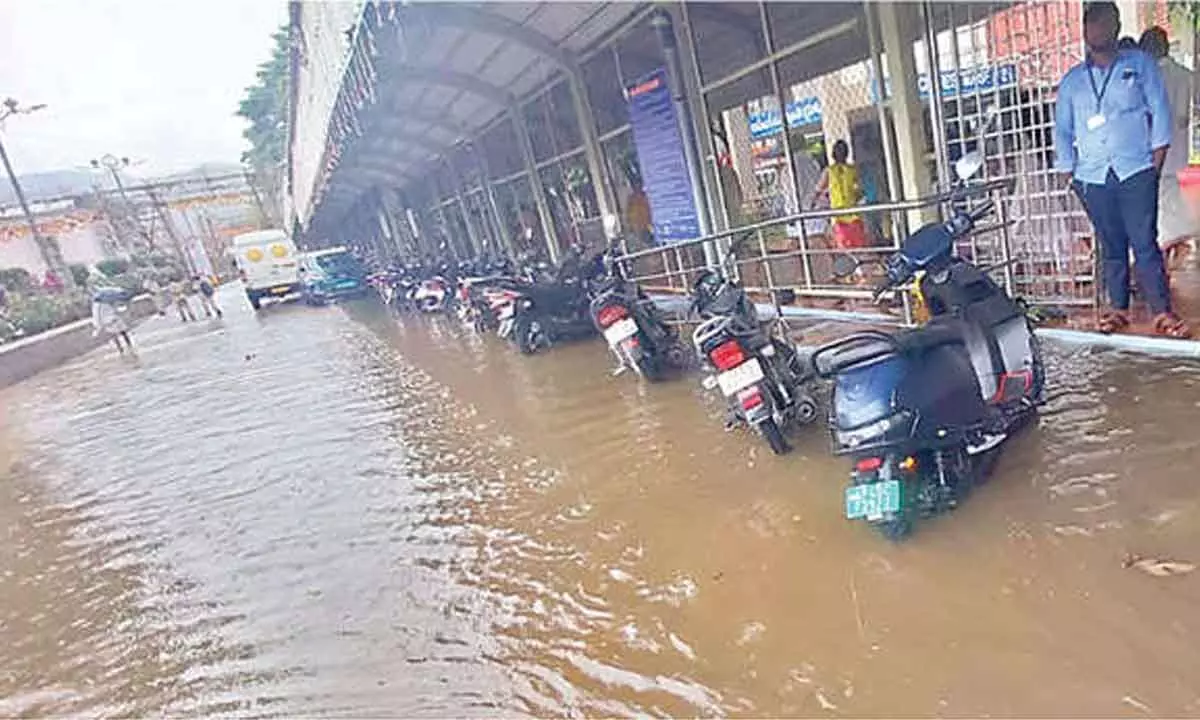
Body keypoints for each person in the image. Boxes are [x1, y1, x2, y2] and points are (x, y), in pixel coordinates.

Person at [1054, 2, 1189, 338]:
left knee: (1144, 242)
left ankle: (1161, 312)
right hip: (1092, 176)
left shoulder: (1139, 66)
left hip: (1135, 170)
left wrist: (1154, 162)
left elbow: (1159, 112)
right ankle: (1117, 309)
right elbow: (1063, 131)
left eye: (1104, 23)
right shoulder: (1072, 81)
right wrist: (1071, 176)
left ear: (1115, 27)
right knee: (1111, 244)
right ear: (1085, 31)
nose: (1097, 29)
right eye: (1091, 24)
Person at [1140, 26, 1195, 259]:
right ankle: (1172, 248)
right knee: (1171, 203)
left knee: (1157, 209)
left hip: (1152, 151)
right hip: (1179, 149)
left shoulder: (1146, 77)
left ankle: (1163, 255)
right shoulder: (1186, 75)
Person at [810, 140, 869, 250]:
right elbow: (860, 190)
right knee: (858, 244)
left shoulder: (829, 171)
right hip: (852, 212)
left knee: (844, 245)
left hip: (839, 214)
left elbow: (818, 190)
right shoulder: (852, 170)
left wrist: (813, 203)